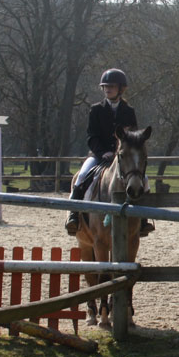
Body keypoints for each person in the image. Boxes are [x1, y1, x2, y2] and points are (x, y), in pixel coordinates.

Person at [65, 68, 153, 237]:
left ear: (121, 88)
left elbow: (133, 136)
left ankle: (144, 220)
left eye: (111, 86)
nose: (107, 89)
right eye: (105, 86)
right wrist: (103, 152)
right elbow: (92, 136)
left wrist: (123, 152)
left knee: (144, 180)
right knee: (82, 176)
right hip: (99, 156)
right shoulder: (96, 109)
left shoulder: (128, 111)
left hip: (123, 157)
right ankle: (73, 216)